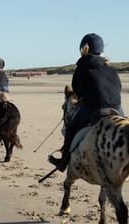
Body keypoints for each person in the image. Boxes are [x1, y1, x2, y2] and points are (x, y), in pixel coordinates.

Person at [49, 33, 124, 172]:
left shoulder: (82, 67)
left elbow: (77, 90)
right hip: (115, 107)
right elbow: (118, 87)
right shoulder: (111, 68)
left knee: (71, 128)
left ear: (84, 48)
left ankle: (63, 162)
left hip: (93, 107)